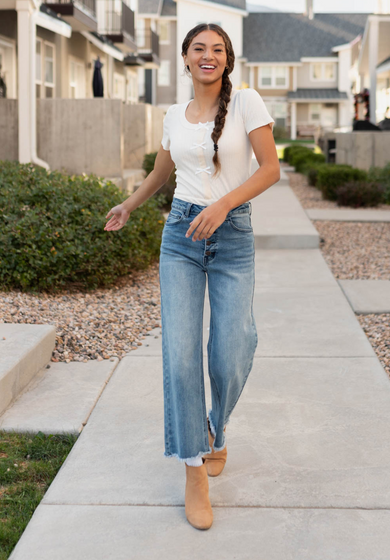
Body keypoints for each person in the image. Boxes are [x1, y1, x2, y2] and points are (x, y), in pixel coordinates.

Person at [104, 23, 280, 531]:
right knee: (180, 356)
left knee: (232, 348)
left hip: (232, 235)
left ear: (227, 59)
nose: (208, 56)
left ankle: (216, 429)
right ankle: (193, 467)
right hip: (181, 236)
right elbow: (163, 172)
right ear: (184, 58)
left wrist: (225, 205)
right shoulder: (173, 115)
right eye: (199, 49)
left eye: (217, 49)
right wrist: (131, 205)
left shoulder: (247, 102)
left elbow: (268, 169)